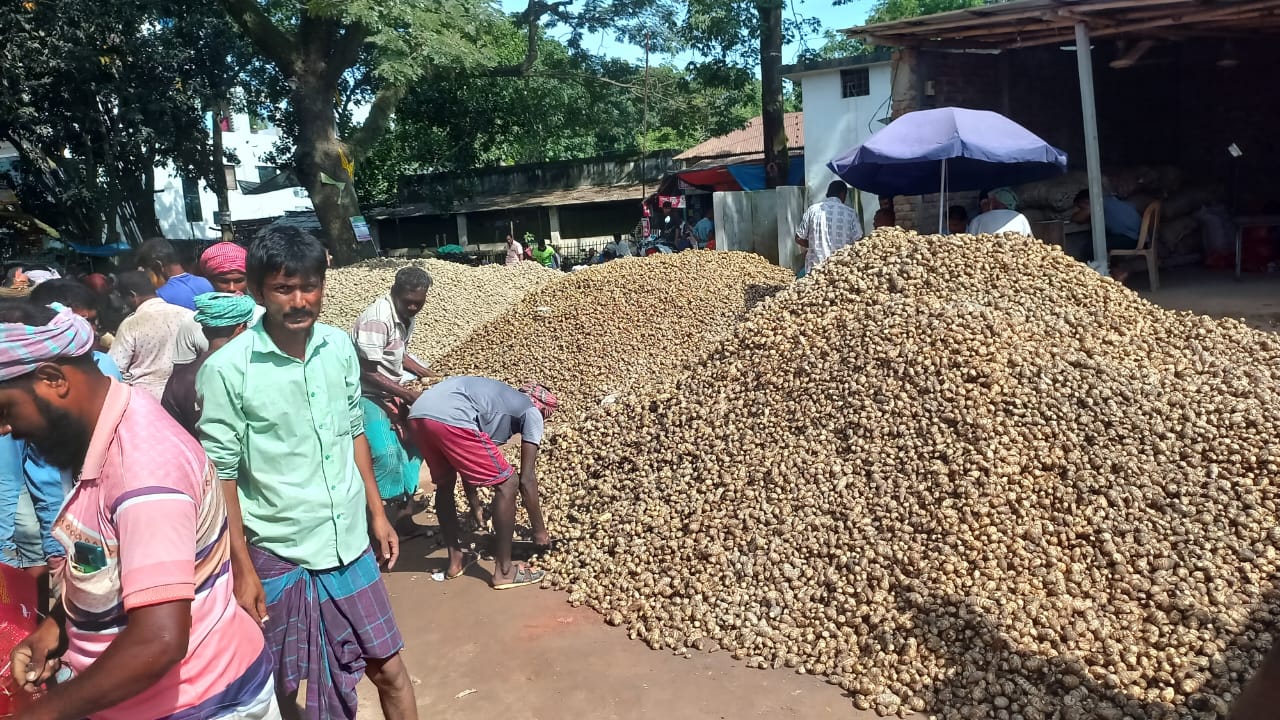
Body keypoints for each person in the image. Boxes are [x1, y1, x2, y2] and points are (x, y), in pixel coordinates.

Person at [0, 301, 278, 720]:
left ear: (53, 379)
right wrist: (55, 630)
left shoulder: (144, 475)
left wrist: (45, 712)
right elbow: (113, 570)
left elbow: (159, 640)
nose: (8, 429)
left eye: (6, 410)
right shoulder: (108, 427)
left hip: (202, 706)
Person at [197, 227, 417, 720]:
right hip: (280, 553)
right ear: (257, 292)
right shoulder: (229, 370)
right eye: (283, 288)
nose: (299, 301)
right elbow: (222, 477)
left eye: (309, 286)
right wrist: (243, 568)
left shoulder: (337, 347)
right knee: (281, 684)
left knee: (391, 671)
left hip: (348, 544)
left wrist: (377, 514)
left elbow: (354, 431)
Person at [407, 376, 558, 590]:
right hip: (450, 416)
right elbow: (527, 480)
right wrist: (540, 532)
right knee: (508, 483)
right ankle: (505, 571)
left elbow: (467, 460)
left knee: (445, 484)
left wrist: (475, 505)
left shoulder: (496, 404)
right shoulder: (532, 411)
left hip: (419, 414)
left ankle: (455, 560)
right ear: (542, 409)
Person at [351, 267, 434, 530]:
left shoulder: (406, 316)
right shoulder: (378, 318)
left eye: (418, 303)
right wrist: (408, 394)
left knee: (415, 444)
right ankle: (377, 521)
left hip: (391, 390)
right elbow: (367, 371)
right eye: (408, 301)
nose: (413, 307)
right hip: (366, 394)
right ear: (394, 291)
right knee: (386, 453)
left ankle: (403, 517)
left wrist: (428, 374)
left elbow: (398, 354)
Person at [161, 292, 255, 437]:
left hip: (200, 458)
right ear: (241, 329)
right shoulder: (254, 371)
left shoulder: (179, 380)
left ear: (204, 331)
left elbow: (171, 434)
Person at [173, 241, 263, 366]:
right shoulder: (192, 322)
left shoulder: (263, 317)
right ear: (209, 280)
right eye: (223, 281)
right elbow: (182, 373)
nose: (232, 288)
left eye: (239, 280)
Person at [108, 271, 193, 400]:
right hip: (185, 396)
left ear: (132, 296)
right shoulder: (187, 315)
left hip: (147, 400)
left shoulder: (132, 324)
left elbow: (115, 368)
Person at [796, 180, 864, 274]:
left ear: (827, 194)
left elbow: (799, 238)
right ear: (843, 194)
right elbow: (859, 241)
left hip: (815, 270)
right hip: (841, 270)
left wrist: (813, 245)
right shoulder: (850, 213)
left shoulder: (812, 210)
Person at [136, 237, 213, 310]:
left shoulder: (159, 298)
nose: (147, 278)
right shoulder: (205, 283)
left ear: (158, 265)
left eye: (146, 272)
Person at [967, 187, 1033, 236]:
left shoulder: (977, 220)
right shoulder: (1020, 217)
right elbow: (1030, 241)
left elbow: (969, 244)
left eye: (988, 202)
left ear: (994, 201)